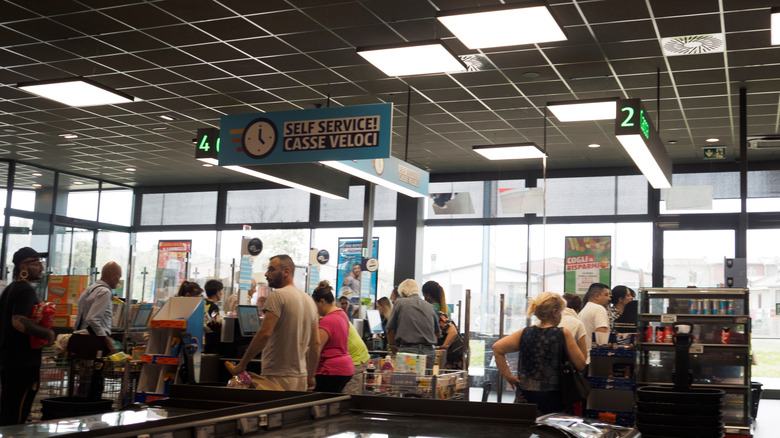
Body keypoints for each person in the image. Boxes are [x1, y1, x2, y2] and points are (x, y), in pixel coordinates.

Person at [232, 255, 319, 391]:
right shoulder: (309, 301)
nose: (267, 274)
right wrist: (311, 375)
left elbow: (264, 334)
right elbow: (316, 344)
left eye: (271, 269)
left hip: (277, 375)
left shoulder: (278, 295)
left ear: (286, 271)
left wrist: (243, 364)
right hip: (300, 377)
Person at [493, 292, 586, 415]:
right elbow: (581, 365)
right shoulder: (563, 333)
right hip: (555, 398)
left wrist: (508, 375)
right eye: (560, 312)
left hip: (526, 397)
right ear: (554, 312)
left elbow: (497, 348)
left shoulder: (525, 332)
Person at [0, 247, 55, 425]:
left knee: (9, 407)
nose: (41, 267)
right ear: (23, 266)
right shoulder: (25, 290)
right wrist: (47, 333)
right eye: (36, 263)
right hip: (23, 362)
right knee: (18, 412)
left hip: (9, 360)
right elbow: (18, 321)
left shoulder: (10, 289)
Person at [386, 279, 440, 368]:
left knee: (407, 377)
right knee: (426, 377)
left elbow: (390, 330)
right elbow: (437, 333)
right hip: (429, 353)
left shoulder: (400, 303)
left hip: (408, 352)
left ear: (403, 293)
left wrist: (392, 346)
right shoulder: (431, 307)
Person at [310, 280, 353, 393]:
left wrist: (310, 375)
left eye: (315, 305)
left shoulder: (327, 321)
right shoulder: (342, 315)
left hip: (329, 370)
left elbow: (316, 348)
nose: (315, 310)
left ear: (322, 301)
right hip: (345, 368)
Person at [75, 261, 122, 354]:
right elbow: (92, 319)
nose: (118, 281)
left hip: (80, 339)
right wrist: (106, 339)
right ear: (113, 276)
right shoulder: (105, 292)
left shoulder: (89, 289)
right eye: (118, 277)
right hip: (95, 341)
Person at [422, 281, 462, 369]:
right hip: (453, 353)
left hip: (445, 353)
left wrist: (441, 349)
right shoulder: (446, 308)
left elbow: (452, 332)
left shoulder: (430, 309)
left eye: (423, 295)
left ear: (428, 295)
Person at [579, 283, 611, 362]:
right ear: (597, 296)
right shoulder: (598, 309)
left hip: (586, 358)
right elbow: (602, 337)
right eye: (606, 295)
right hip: (596, 359)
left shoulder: (584, 310)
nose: (609, 298)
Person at [341, 321, 371, 395]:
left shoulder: (326, 320)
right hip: (356, 359)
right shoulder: (339, 316)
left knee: (350, 397)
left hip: (356, 362)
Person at [559, 293, 588, 361]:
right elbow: (583, 356)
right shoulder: (578, 323)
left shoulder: (548, 321)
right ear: (578, 310)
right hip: (568, 364)